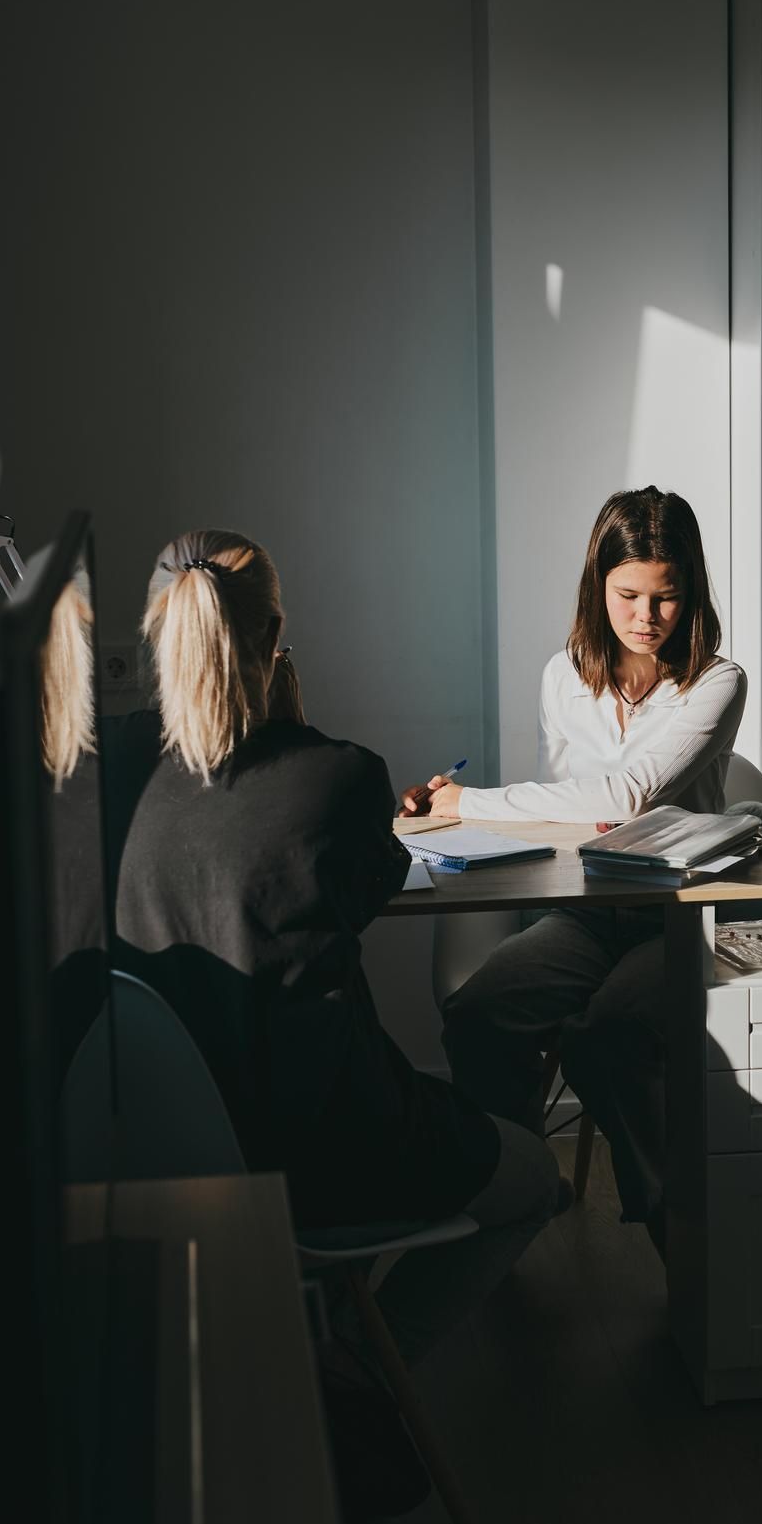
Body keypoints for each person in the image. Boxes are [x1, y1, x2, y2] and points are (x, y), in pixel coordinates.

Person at [108, 528, 560, 1373]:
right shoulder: (338, 777)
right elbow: (362, 884)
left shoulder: (99, 766)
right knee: (536, 1180)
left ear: (156, 631)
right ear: (276, 639)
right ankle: (356, 1374)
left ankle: (320, 1364)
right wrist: (295, 726)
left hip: (148, 1151)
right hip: (320, 1151)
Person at [406, 486, 746, 1240]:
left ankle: (679, 1244)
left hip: (679, 919)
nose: (646, 616)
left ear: (689, 595)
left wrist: (468, 802)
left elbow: (623, 797)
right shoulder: (564, 676)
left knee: (609, 1035)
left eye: (666, 597)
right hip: (590, 914)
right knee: (478, 1015)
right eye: (628, 594)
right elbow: (562, 808)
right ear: (598, 586)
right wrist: (465, 814)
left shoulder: (717, 681)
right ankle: (518, 1186)